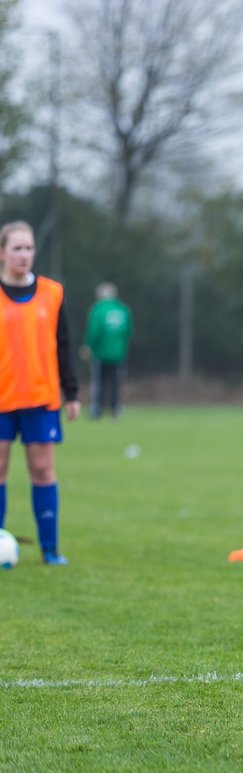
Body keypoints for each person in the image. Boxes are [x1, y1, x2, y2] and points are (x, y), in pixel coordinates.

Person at [0, 220, 80, 565]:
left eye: (29, 248)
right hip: (1, 398)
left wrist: (72, 392)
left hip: (40, 397)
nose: (24, 255)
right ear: (2, 252)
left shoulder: (52, 292)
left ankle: (50, 549)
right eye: (16, 248)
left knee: (43, 470)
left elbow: (63, 345)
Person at [80, 281, 133, 419]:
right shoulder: (123, 309)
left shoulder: (97, 309)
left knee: (98, 382)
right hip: (118, 353)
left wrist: (88, 346)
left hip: (100, 353)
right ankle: (116, 409)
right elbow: (128, 331)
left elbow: (94, 331)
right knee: (116, 383)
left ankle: (97, 409)